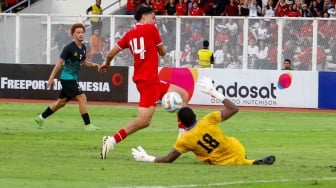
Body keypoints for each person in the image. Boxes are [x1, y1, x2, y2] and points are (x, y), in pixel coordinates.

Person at [99, 4, 189, 160]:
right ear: (144, 17)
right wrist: (158, 46)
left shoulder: (130, 34)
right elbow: (163, 52)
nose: (154, 19)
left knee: (183, 94)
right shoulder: (151, 29)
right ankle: (112, 140)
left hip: (148, 79)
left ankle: (182, 137)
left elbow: (111, 52)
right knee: (144, 121)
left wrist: (107, 63)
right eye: (152, 16)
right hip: (149, 81)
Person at [131, 77, 276, 166]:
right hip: (236, 149)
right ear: (194, 115)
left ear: (181, 122)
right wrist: (214, 92)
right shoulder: (208, 120)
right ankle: (249, 161)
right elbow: (233, 109)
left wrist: (147, 158)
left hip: (222, 163)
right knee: (242, 158)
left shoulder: (185, 140)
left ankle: (250, 162)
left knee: (235, 161)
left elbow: (169, 159)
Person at [34, 23, 101, 131]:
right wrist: (51, 77)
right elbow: (59, 63)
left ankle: (40, 118)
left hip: (72, 78)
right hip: (66, 78)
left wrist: (94, 64)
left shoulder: (83, 47)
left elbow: (83, 62)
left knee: (61, 103)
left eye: (82, 32)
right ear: (73, 35)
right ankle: (88, 125)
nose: (80, 34)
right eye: (78, 32)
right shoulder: (68, 48)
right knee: (82, 97)